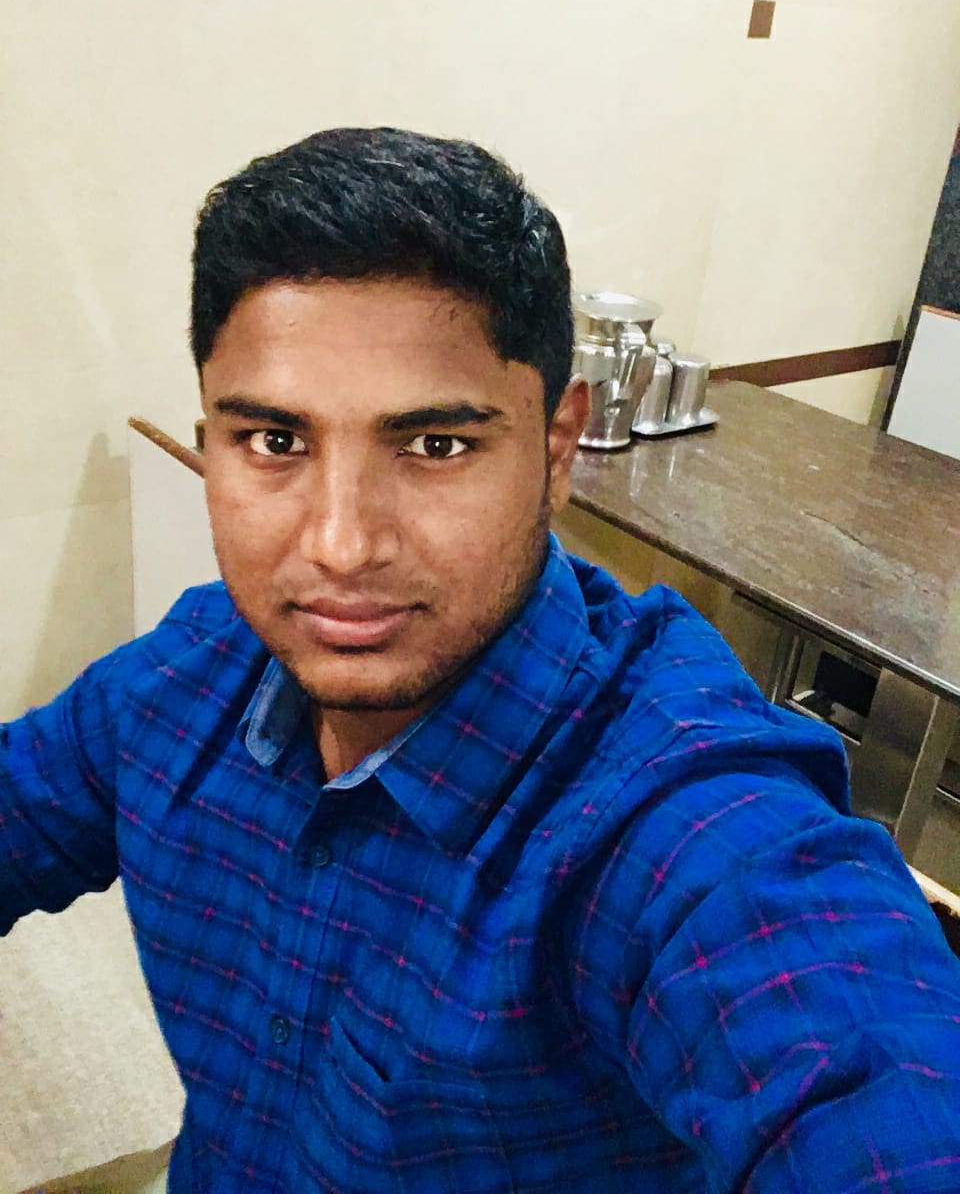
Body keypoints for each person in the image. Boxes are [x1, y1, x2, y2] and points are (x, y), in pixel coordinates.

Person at [3, 127, 960, 1194]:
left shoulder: (669, 826)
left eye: (436, 445)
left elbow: (863, 1069)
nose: (341, 544)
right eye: (275, 441)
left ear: (557, 446)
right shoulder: (189, 675)